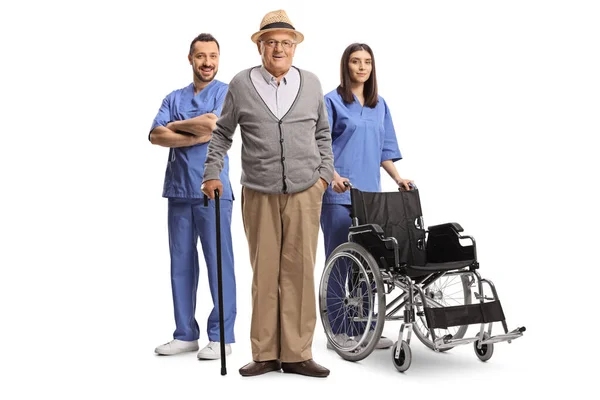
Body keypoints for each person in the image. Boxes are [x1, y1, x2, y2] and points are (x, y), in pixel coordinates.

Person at [201, 10, 333, 378]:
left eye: (286, 43)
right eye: (271, 42)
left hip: (306, 190)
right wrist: (212, 173)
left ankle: (296, 353)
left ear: (294, 48)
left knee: (299, 271)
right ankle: (264, 352)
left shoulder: (311, 83)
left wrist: (323, 176)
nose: (279, 48)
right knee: (265, 271)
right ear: (260, 46)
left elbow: (323, 134)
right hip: (258, 190)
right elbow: (222, 133)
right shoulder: (241, 84)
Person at [149, 33, 236, 360]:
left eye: (213, 56)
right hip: (178, 190)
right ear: (190, 59)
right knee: (181, 265)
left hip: (212, 190)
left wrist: (177, 129)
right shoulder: (174, 96)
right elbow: (156, 135)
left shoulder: (225, 92)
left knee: (219, 263)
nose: (207, 62)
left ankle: (222, 336)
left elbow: (214, 124)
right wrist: (192, 133)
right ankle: (185, 334)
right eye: (201, 56)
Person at [321, 43, 414, 350]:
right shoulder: (331, 102)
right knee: (341, 263)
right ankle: (339, 329)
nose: (361, 67)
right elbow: (319, 148)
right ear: (345, 66)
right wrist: (333, 177)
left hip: (370, 198)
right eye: (355, 61)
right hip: (339, 196)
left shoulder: (379, 105)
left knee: (369, 267)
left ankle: (365, 326)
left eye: (367, 62)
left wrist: (398, 178)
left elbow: (384, 151)